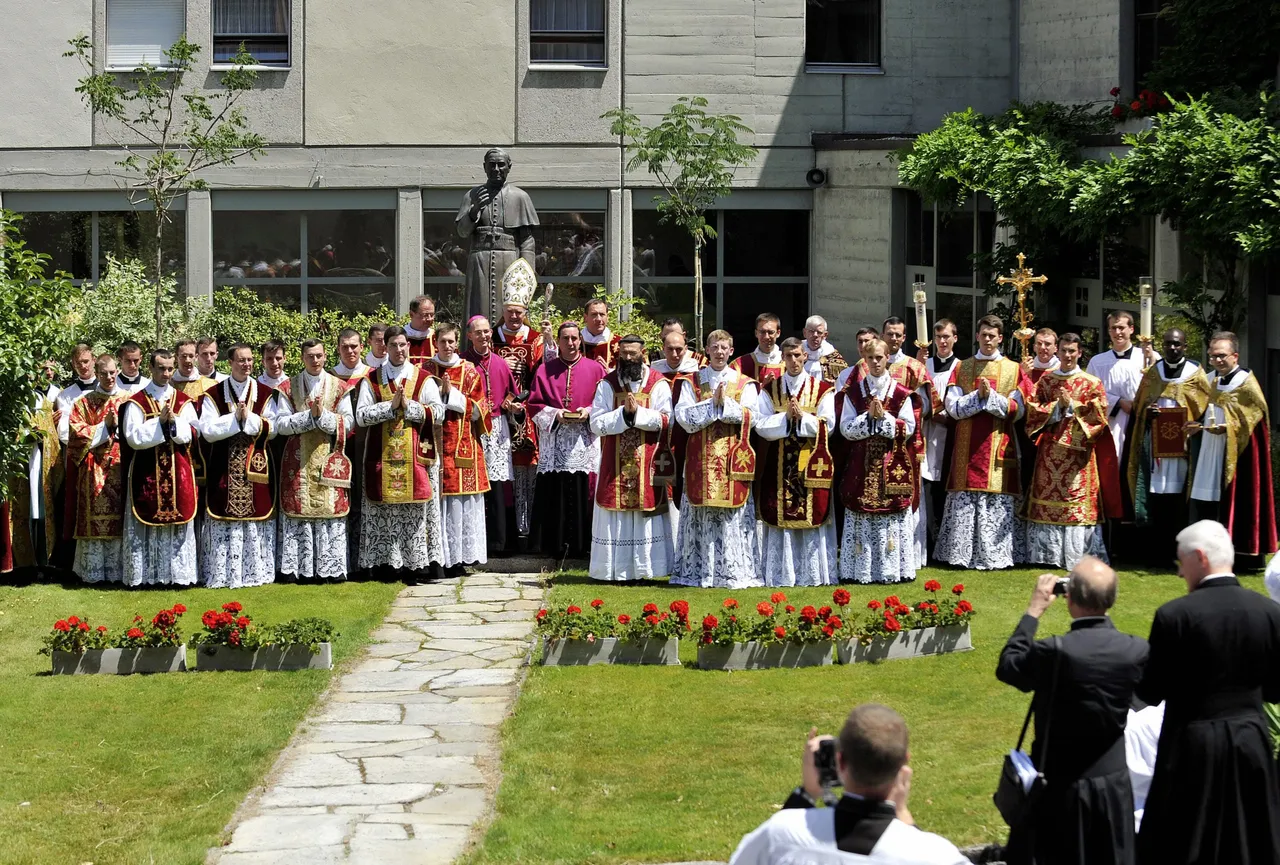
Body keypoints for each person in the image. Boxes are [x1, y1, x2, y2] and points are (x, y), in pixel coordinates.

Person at [1136, 520, 1280, 865]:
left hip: (1192, 744)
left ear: (1199, 558)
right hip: (1251, 741)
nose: (1179, 573)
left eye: (1179, 563)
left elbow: (1152, 690)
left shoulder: (1175, 615)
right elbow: (1275, 688)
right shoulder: (1270, 613)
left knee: (1186, 839)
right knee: (1250, 835)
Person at [996, 560, 1150, 865]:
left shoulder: (1055, 650)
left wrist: (1033, 612)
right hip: (1113, 782)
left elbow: (1009, 666)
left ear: (1070, 598)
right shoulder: (1136, 650)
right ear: (1112, 599)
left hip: (1061, 783)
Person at [729, 704, 968, 865]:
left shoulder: (780, 835)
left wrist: (808, 793)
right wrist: (904, 816)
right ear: (903, 764)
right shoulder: (937, 856)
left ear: (840, 761)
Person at [934, 315, 1032, 570]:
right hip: (967, 445)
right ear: (977, 336)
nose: (988, 340)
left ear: (1001, 338)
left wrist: (990, 399)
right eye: (984, 335)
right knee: (966, 495)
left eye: (993, 335)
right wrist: (978, 396)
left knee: (996, 496)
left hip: (1000, 443)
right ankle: (960, 555)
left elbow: (1017, 410)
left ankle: (997, 556)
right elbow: (953, 407)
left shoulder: (1013, 369)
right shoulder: (963, 367)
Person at [671, 329, 760, 588]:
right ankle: (698, 572)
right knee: (700, 516)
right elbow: (684, 418)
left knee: (732, 517)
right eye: (714, 347)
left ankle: (733, 573)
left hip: (733, 461)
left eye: (724, 347)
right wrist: (714, 405)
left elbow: (752, 417)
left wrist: (724, 405)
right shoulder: (692, 381)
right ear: (706, 350)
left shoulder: (744, 383)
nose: (719, 352)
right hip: (701, 459)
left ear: (731, 351)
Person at [354, 326, 445, 578]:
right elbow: (361, 417)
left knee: (413, 512)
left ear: (408, 346)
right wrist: (390, 407)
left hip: (415, 456)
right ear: (385, 347)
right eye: (393, 345)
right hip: (381, 455)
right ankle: (384, 564)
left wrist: (410, 407)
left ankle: (416, 563)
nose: (398, 350)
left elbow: (439, 412)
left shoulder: (423, 378)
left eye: (402, 345)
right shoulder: (371, 379)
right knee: (382, 510)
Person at [1023, 333, 1116, 570]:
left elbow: (1100, 415)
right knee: (1049, 499)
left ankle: (1078, 555)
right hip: (1050, 451)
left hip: (1079, 456)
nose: (1067, 355)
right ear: (1058, 351)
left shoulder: (1091, 382)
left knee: (1076, 502)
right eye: (1063, 350)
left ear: (1080, 353)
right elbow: (1032, 409)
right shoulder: (1046, 380)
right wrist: (1057, 406)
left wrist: (1073, 405)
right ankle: (1046, 555)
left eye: (1072, 351)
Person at [587, 334, 675, 581]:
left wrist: (638, 414)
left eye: (632, 353)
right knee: (617, 515)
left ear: (643, 353)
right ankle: (615, 570)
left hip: (647, 463)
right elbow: (595, 423)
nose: (627, 358)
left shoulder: (658, 384)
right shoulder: (607, 384)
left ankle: (647, 570)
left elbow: (667, 420)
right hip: (614, 465)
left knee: (645, 515)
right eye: (623, 353)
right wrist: (623, 415)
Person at [1185, 331, 1278, 560]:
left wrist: (1229, 427)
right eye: (1213, 356)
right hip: (1209, 447)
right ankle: (1207, 552)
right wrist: (1196, 425)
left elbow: (1255, 419)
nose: (1217, 360)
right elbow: (1201, 410)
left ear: (1235, 356)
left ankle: (1242, 553)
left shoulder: (1246, 383)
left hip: (1238, 452)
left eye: (1222, 356)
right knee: (1206, 500)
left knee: (1236, 499)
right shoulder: (1209, 380)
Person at [755, 337, 838, 587]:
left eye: (798, 355)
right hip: (778, 463)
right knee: (778, 513)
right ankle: (782, 574)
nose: (793, 360)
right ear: (782, 357)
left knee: (813, 513)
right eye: (788, 356)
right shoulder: (770, 389)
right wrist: (785, 420)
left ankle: (812, 573)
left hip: (810, 463)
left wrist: (802, 418)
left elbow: (829, 425)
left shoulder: (822, 389)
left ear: (805, 357)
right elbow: (759, 424)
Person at [196, 343, 280, 588]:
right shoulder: (214, 394)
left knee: (255, 517)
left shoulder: (264, 393)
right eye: (241, 360)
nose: (247, 365)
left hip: (256, 467)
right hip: (224, 465)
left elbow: (273, 427)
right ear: (230, 363)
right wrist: (234, 420)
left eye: (250, 360)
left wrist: (249, 419)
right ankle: (223, 574)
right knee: (224, 516)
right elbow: (208, 430)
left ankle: (256, 573)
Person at [1126, 328, 1211, 563]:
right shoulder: (1153, 373)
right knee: (1156, 496)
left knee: (1179, 498)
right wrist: (1148, 413)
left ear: (1185, 346)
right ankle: (1156, 551)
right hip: (1156, 450)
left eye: (1177, 344)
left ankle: (1180, 551)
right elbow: (1139, 407)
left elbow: (1204, 408)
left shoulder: (1196, 374)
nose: (1172, 348)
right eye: (1168, 344)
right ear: (1162, 346)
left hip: (1184, 449)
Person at [837, 338, 919, 584]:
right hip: (861, 463)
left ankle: (891, 569)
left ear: (887, 359)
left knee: (890, 513)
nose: (875, 362)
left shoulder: (901, 392)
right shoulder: (853, 392)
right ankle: (859, 569)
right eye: (870, 358)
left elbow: (909, 428)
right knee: (861, 510)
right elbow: (845, 428)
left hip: (890, 463)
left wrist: (884, 420)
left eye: (880, 357)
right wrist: (867, 418)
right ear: (865, 360)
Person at [274, 339, 354, 581]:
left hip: (330, 456)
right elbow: (279, 423)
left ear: (325, 355)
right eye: (310, 356)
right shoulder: (288, 387)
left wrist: (324, 417)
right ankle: (300, 570)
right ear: (302, 358)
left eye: (319, 355)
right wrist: (309, 417)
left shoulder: (340, 387)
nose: (315, 360)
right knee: (300, 512)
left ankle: (330, 570)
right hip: (298, 459)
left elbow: (349, 421)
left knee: (329, 511)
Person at [120, 349, 200, 586]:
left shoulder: (183, 401)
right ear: (151, 369)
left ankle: (178, 576)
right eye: (161, 368)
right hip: (147, 471)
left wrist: (174, 422)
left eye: (169, 368)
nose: (166, 373)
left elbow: (193, 433)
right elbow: (132, 437)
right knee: (145, 520)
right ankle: (145, 576)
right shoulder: (137, 401)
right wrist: (159, 423)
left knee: (178, 526)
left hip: (178, 470)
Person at [528, 321, 607, 559]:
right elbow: (533, 404)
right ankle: (554, 545)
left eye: (574, 338)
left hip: (584, 440)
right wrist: (555, 414)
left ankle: (582, 545)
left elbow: (605, 403)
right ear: (558, 342)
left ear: (580, 340)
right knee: (555, 492)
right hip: (556, 441)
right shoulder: (545, 370)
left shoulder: (595, 369)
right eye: (566, 339)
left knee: (583, 492)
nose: (571, 343)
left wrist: (589, 411)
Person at [422, 322, 492, 575]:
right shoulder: (425, 371)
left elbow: (483, 409)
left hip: (463, 446)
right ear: (435, 343)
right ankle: (435, 560)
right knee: (434, 502)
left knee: (459, 504)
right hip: (432, 446)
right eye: (443, 342)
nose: (448, 346)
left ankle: (459, 558)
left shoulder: (470, 372)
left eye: (452, 342)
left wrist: (452, 395)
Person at [493, 268, 547, 542]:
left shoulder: (536, 338)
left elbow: (544, 374)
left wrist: (525, 366)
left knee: (529, 468)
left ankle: (530, 532)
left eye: (519, 311)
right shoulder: (489, 338)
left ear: (526, 311)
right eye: (510, 311)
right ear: (502, 309)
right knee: (503, 472)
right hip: (499, 415)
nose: (514, 317)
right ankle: (506, 534)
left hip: (527, 414)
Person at [456, 147, 540, 320]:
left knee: (510, 311)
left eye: (500, 165)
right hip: (479, 261)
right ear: (484, 167)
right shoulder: (472, 195)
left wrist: (526, 272)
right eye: (491, 165)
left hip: (509, 261)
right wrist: (475, 210)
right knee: (478, 311)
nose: (496, 169)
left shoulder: (520, 197)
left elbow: (526, 240)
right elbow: (462, 232)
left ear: (509, 166)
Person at [67, 354, 129, 583]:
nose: (109, 377)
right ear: (97, 372)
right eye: (104, 373)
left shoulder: (128, 399)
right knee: (95, 518)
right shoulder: (83, 402)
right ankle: (93, 572)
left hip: (121, 466)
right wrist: (105, 427)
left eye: (113, 372)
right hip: (94, 470)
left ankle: (117, 571)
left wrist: (117, 428)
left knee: (120, 519)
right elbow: (76, 433)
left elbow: (135, 431)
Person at [464, 315, 519, 554]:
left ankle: (500, 542)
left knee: (498, 484)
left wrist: (510, 404)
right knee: (474, 482)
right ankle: (475, 542)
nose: (484, 336)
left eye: (487, 332)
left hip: (497, 428)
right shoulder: (463, 363)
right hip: (472, 427)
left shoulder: (500, 362)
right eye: (479, 333)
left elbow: (511, 393)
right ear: (469, 336)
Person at [881, 316, 931, 567]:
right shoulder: (868, 363)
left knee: (906, 494)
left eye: (898, 334)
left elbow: (926, 406)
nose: (893, 338)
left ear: (904, 337)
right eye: (889, 333)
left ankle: (907, 553)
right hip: (874, 442)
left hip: (906, 442)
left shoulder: (914, 367)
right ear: (883, 334)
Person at [54, 342, 98, 570]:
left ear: (93, 360)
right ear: (73, 364)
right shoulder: (66, 395)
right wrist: (98, 433)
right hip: (79, 459)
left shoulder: (111, 387)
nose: (83, 366)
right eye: (78, 363)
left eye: (86, 361)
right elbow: (64, 431)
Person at [331, 327, 371, 572]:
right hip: (336, 448)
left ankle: (363, 559)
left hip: (364, 445)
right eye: (345, 346)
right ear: (338, 349)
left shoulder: (371, 375)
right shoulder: (330, 377)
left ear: (362, 347)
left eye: (354, 346)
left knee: (362, 501)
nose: (350, 351)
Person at [1084, 312, 1149, 461]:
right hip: (1111, 422)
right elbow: (1089, 393)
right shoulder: (1097, 361)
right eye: (1113, 328)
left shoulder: (1146, 358)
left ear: (1131, 329)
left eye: (1121, 327)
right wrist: (1118, 402)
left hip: (1139, 420)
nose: (1117, 332)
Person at [919, 319, 959, 549]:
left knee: (943, 489)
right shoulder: (924, 365)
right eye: (938, 337)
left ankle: (944, 541)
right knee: (926, 489)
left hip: (948, 435)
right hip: (926, 432)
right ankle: (928, 539)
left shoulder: (961, 367)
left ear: (955, 338)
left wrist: (945, 416)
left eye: (946, 336)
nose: (942, 341)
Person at [652, 326, 699, 509]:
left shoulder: (697, 372)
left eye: (679, 349)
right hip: (659, 435)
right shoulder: (653, 372)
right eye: (670, 349)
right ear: (663, 349)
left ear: (686, 349)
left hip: (685, 437)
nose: (675, 353)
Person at [731, 312, 785, 386]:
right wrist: (761, 388)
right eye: (762, 332)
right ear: (756, 333)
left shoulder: (788, 362)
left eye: (770, 332)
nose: (766, 337)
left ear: (778, 333)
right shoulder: (740, 365)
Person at [802, 314, 849, 383]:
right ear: (804, 333)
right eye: (811, 331)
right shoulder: (795, 352)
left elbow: (844, 382)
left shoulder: (832, 355)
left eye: (819, 332)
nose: (815, 335)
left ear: (825, 335)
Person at [579, 297, 622, 370]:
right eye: (594, 314)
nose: (599, 319)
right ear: (585, 317)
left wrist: (608, 371)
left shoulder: (619, 343)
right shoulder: (574, 342)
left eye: (602, 314)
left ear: (607, 317)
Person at [404, 294, 437, 364]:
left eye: (432, 315)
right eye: (425, 315)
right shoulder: (400, 336)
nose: (430, 319)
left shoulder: (437, 337)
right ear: (411, 314)